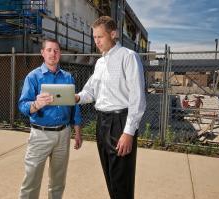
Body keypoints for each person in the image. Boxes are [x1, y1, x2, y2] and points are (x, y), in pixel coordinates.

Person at [75, 16, 146, 199]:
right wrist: (75, 98)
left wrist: (128, 132)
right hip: (102, 122)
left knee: (122, 181)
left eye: (100, 37)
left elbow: (137, 98)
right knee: (110, 177)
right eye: (94, 37)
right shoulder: (100, 63)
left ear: (113, 34)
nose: (96, 41)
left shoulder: (128, 57)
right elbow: (90, 93)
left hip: (120, 123)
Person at [18, 38, 82, 199]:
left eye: (56, 50)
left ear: (60, 54)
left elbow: (75, 106)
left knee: (58, 182)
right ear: (42, 53)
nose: (53, 54)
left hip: (63, 135)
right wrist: (36, 104)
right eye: (49, 50)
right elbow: (23, 106)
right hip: (40, 135)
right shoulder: (33, 77)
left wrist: (77, 132)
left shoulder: (68, 77)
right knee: (31, 181)